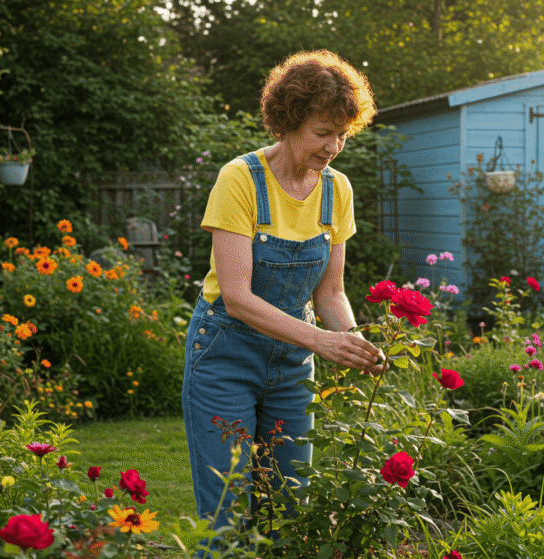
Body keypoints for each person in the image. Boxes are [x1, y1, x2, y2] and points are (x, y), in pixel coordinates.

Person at [181, 50, 382, 553]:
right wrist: (322, 341)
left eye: (342, 133)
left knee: (291, 509)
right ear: (289, 122)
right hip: (226, 357)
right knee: (227, 513)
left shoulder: (338, 191)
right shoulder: (240, 179)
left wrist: (353, 343)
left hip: (292, 363)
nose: (334, 146)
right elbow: (238, 298)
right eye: (322, 132)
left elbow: (330, 292)